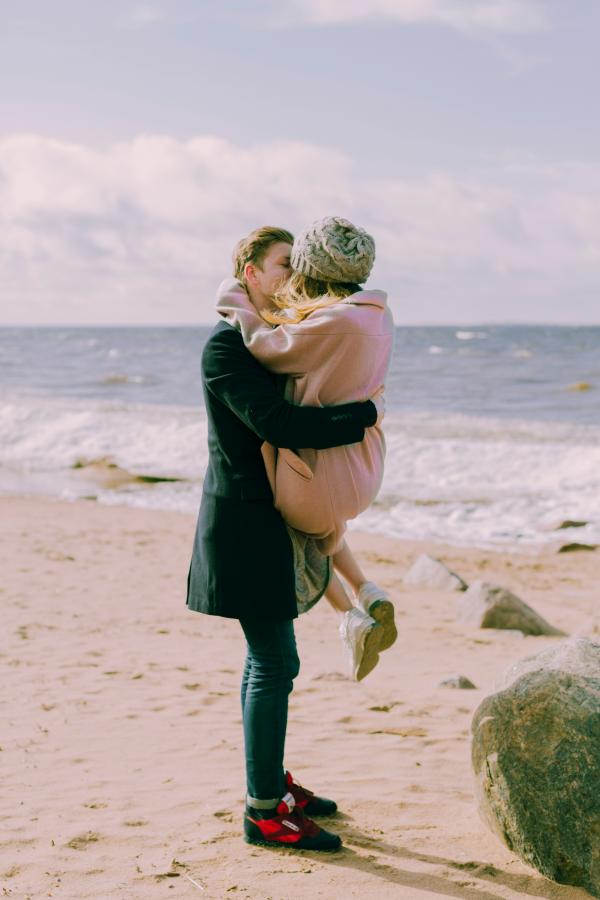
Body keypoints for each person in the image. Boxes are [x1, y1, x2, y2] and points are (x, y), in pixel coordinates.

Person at [186, 226, 385, 851]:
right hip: (242, 526)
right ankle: (265, 811)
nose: (290, 278)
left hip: (267, 521)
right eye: (279, 266)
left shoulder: (279, 345)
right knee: (273, 663)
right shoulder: (226, 349)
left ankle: (271, 783)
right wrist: (368, 414)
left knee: (276, 662)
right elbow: (278, 422)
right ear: (247, 271)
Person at [216, 217, 397, 681]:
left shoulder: (321, 326)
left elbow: (266, 346)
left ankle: (351, 615)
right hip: (362, 467)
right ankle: (364, 594)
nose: (292, 275)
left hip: (319, 479)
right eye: (283, 264)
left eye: (296, 264)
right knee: (319, 518)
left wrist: (232, 297)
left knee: (301, 515)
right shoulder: (377, 314)